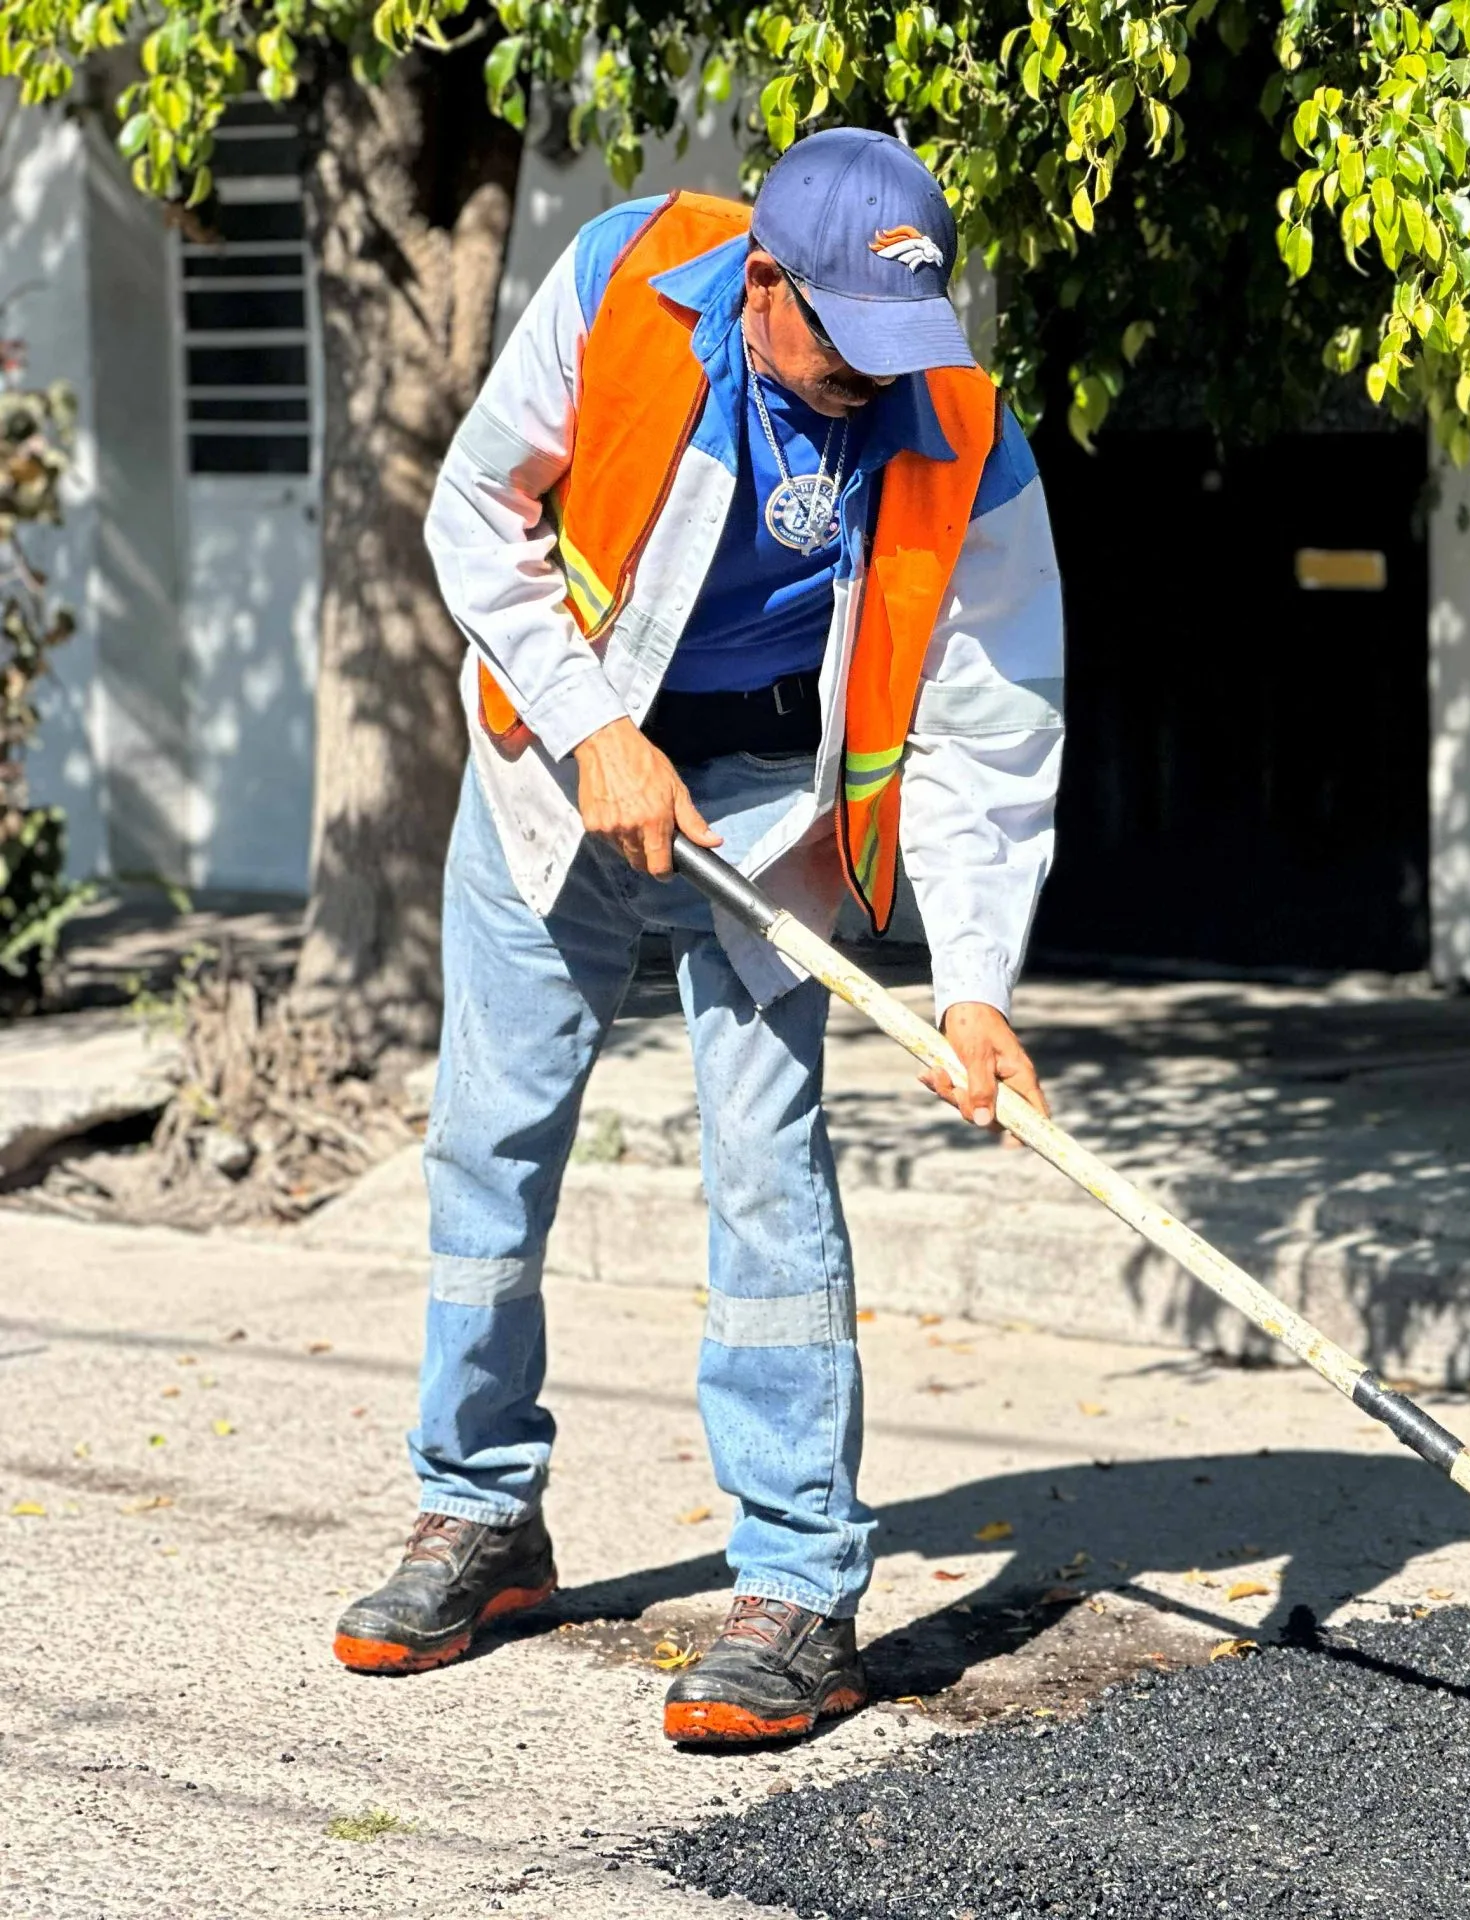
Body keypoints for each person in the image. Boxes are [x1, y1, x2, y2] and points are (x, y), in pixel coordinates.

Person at [329, 129, 1063, 1745]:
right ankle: (480, 1521)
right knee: (489, 1146)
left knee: (767, 1159)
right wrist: (593, 723)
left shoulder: (960, 431)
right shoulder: (620, 287)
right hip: (557, 764)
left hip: (764, 798)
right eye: (837, 347)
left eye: (898, 351)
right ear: (759, 284)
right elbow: (475, 513)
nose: (869, 383)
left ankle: (800, 1587)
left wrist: (977, 985)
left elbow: (990, 729)